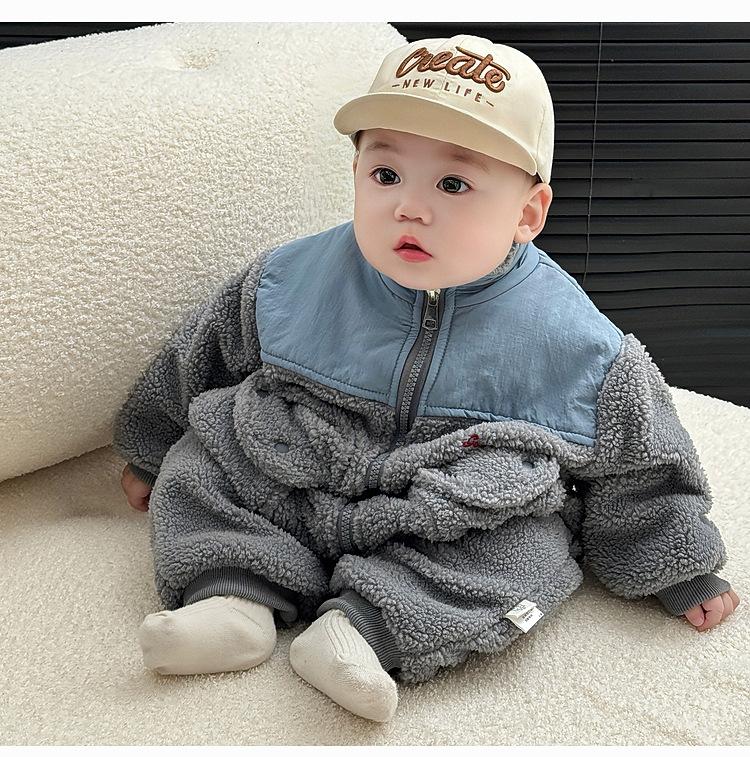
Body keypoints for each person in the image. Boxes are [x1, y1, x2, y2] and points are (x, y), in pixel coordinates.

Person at [115, 35, 739, 724]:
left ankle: (364, 633)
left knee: (530, 553)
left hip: (451, 501)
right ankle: (230, 597)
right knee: (206, 463)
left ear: (527, 213)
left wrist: (673, 560)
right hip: (295, 458)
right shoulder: (289, 280)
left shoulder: (577, 342)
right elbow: (200, 355)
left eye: (453, 184)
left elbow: (642, 458)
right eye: (386, 174)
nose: (409, 207)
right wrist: (151, 446)